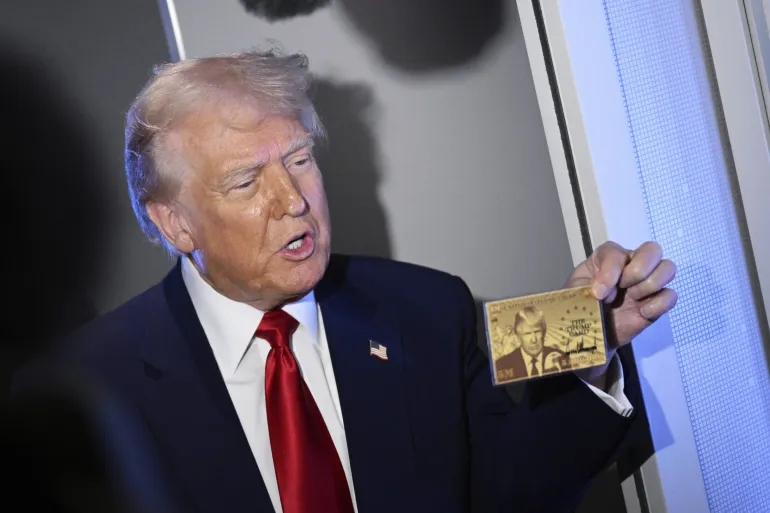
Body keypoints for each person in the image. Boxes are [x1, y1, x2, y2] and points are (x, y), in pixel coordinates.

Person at [21, 50, 677, 513]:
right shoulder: (89, 384)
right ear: (175, 222)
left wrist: (589, 343)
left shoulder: (427, 309)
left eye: (300, 159)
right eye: (246, 181)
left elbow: (509, 490)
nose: (294, 200)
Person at [494, 307, 569, 381]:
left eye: (537, 332)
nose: (533, 340)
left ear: (544, 332)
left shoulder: (561, 357)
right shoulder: (501, 365)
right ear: (518, 336)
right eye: (527, 333)